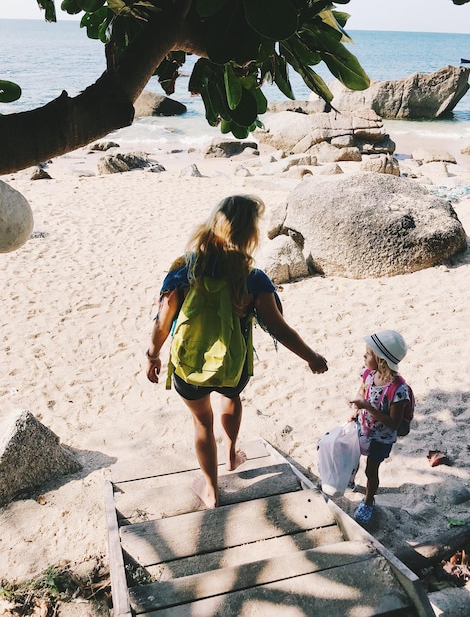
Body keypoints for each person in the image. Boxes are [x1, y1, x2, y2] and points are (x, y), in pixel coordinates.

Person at [146, 194, 328, 509]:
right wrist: (311, 357)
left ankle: (212, 492)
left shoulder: (184, 271)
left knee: (202, 422)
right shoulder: (253, 278)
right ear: (250, 236)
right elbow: (279, 328)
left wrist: (153, 354)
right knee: (230, 398)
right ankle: (231, 455)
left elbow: (163, 322)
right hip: (232, 367)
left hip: (189, 368)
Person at [349, 329, 409, 524]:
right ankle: (349, 480)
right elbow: (363, 390)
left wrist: (367, 407)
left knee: (371, 470)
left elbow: (393, 423)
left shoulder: (398, 389)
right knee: (353, 457)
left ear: (381, 359)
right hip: (362, 426)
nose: (363, 356)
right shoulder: (369, 373)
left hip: (381, 438)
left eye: (368, 354)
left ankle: (368, 501)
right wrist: (356, 411)